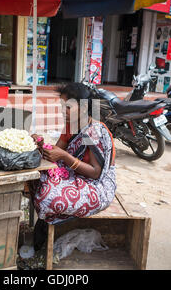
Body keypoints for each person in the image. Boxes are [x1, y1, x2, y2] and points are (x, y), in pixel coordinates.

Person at [30, 83, 117, 249]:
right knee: (35, 180)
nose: (63, 111)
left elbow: (95, 173)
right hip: (75, 174)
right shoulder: (71, 125)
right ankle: (48, 223)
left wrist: (64, 156)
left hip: (98, 185)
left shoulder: (92, 132)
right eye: (62, 106)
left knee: (47, 197)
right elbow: (55, 153)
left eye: (68, 107)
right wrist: (41, 145)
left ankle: (52, 225)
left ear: (84, 109)